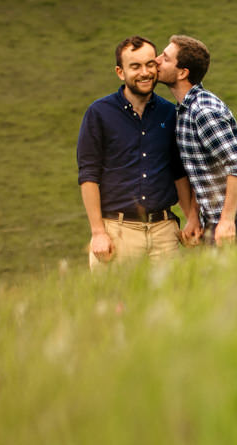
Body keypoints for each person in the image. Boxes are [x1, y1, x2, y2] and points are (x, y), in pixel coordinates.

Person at [75, 36, 198, 270]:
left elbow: (178, 171)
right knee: (115, 305)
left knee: (170, 304)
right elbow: (88, 176)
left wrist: (191, 218)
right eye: (135, 66)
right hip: (118, 234)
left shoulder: (170, 113)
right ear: (120, 72)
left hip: (164, 233)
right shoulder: (99, 113)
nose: (145, 72)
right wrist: (98, 232)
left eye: (150, 64)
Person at [156, 35, 237, 247]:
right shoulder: (185, 110)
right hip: (216, 217)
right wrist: (194, 217)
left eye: (166, 58)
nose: (156, 60)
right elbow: (202, 172)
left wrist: (226, 221)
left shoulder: (203, 112)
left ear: (182, 72)